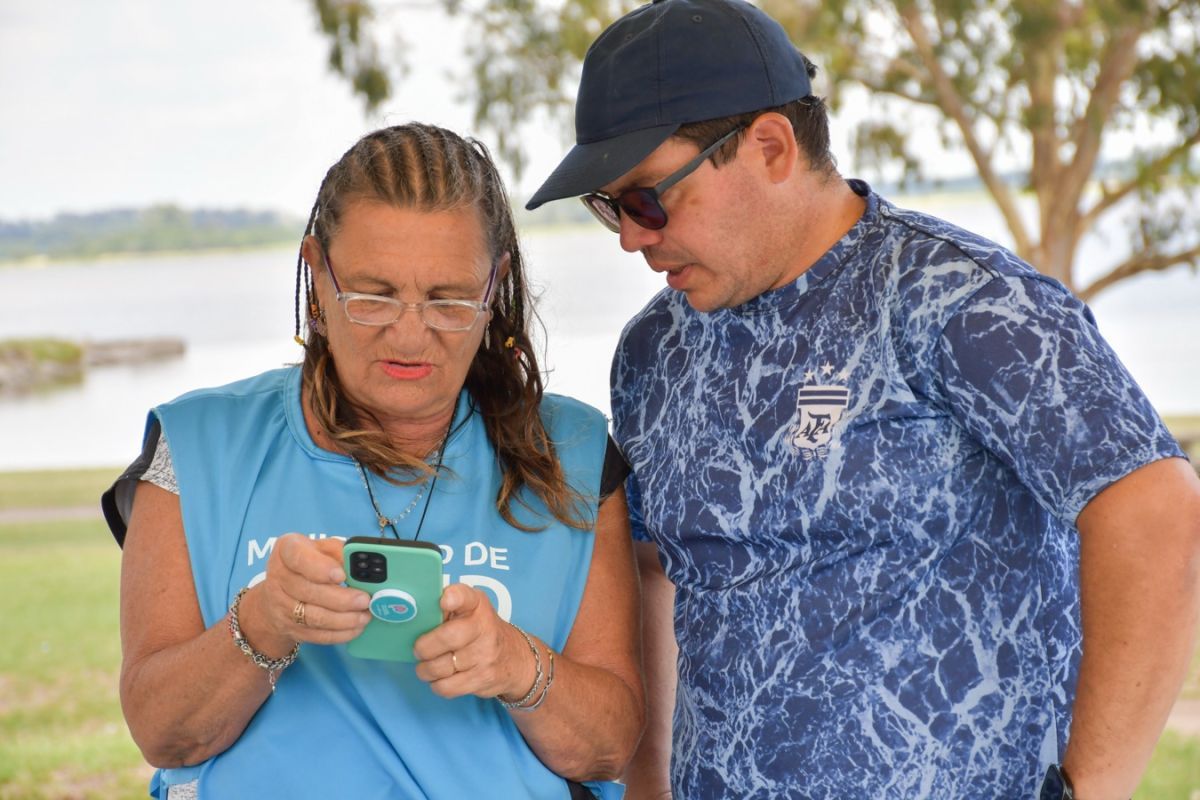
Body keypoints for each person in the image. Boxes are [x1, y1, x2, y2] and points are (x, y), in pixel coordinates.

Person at [524, 1, 1200, 797]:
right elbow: (661, 576)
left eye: (645, 199)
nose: (631, 238)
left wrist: (1093, 790)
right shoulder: (652, 352)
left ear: (770, 147)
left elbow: (1156, 510)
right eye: (608, 209)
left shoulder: (956, 301)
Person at [101, 122, 644, 799]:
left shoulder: (574, 453)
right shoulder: (199, 447)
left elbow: (608, 747)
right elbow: (163, 732)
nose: (410, 334)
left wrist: (516, 664)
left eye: (448, 300)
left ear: (494, 288)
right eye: (373, 295)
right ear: (316, 278)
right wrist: (266, 620)